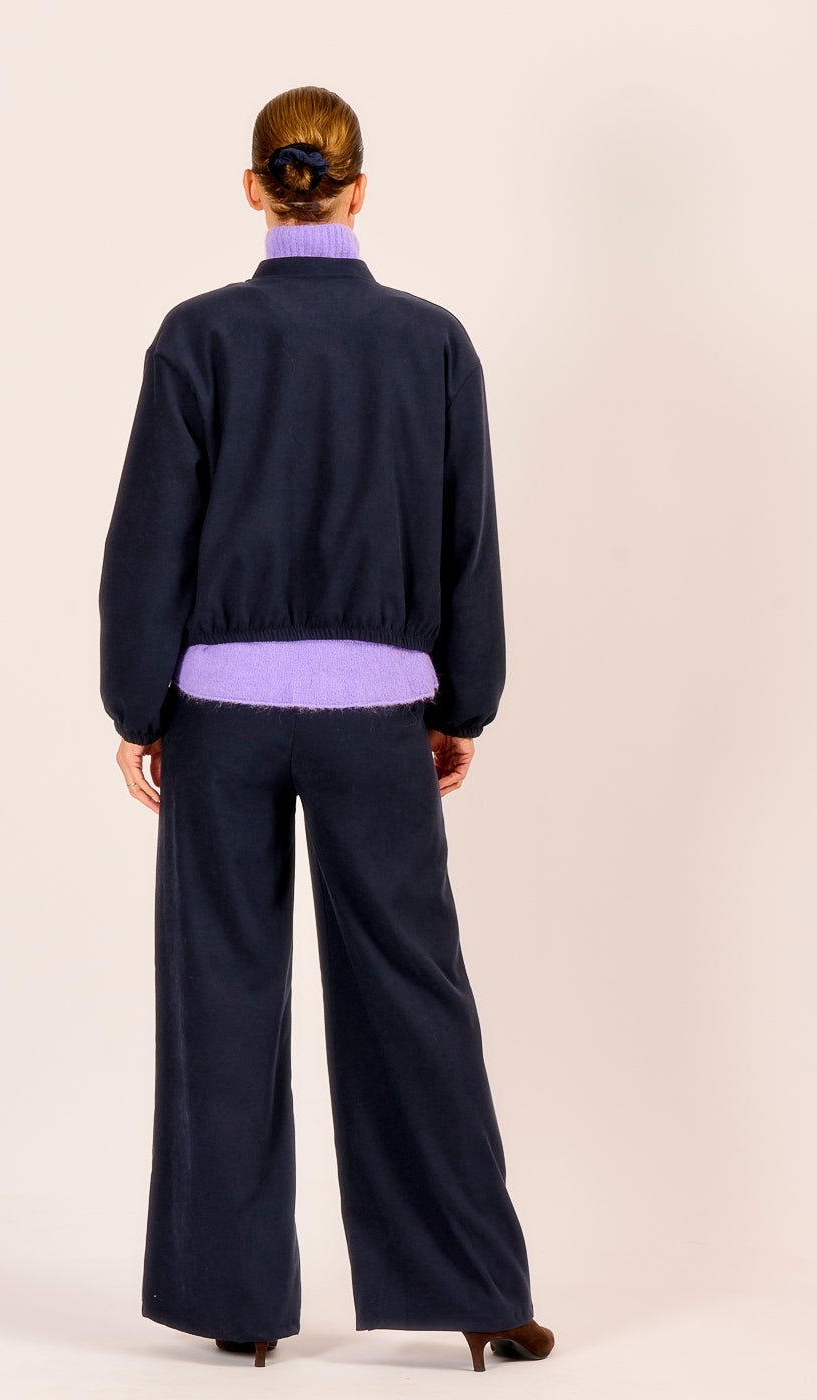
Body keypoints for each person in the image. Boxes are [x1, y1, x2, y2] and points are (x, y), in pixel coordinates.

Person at [98, 85, 555, 1373]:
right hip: (377, 724)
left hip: (221, 723)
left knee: (223, 990)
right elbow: (469, 544)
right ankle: (478, 1294)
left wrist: (139, 708)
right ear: (360, 191)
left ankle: (237, 1303)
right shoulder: (433, 344)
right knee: (414, 993)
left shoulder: (199, 337)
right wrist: (460, 704)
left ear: (255, 188)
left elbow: (148, 543)